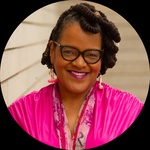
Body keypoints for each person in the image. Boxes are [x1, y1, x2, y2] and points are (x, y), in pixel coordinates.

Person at [8, 2, 144, 150]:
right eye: (69, 52)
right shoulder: (22, 113)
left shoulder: (129, 111)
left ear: (102, 59)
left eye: (91, 55)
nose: (79, 63)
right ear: (52, 51)